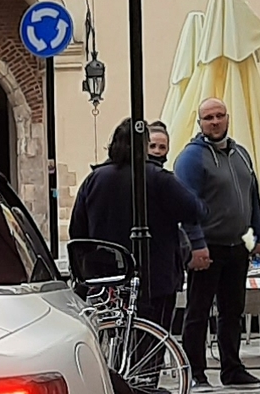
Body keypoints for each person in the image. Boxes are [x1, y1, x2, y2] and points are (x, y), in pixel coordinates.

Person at [173, 96, 260, 387]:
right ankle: (195, 372)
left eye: (219, 116)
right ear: (200, 123)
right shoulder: (191, 158)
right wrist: (197, 244)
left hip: (235, 246)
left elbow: (253, 197)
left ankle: (232, 368)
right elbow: (186, 205)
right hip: (207, 246)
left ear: (227, 118)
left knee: (232, 310)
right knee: (198, 312)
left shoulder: (241, 154)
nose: (215, 122)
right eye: (208, 118)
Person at [70, 120, 201, 329]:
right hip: (155, 275)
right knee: (152, 342)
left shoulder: (94, 179)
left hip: (106, 275)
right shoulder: (158, 178)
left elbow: (77, 230)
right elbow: (194, 210)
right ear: (144, 146)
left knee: (111, 334)